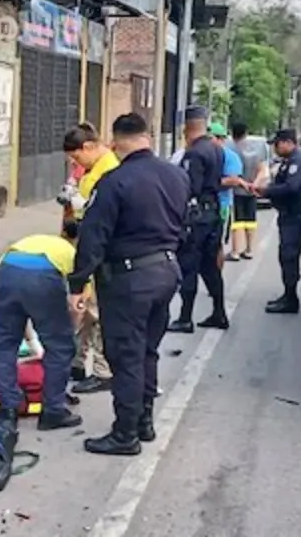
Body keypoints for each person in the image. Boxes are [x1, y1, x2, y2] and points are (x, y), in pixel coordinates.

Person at [68, 112, 188, 456]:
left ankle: (124, 434)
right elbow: (184, 225)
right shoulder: (176, 176)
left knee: (126, 357)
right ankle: (143, 422)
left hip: (129, 280)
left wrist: (77, 285)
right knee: (147, 350)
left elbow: (93, 238)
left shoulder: (115, 181)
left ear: (117, 140)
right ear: (147, 136)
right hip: (166, 271)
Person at [0, 221, 84, 432]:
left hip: (8, 271)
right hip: (43, 277)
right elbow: (77, 306)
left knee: (3, 346)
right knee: (60, 347)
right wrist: (69, 335)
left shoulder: (28, 243)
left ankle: (7, 410)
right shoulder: (75, 255)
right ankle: (53, 412)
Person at [61, 123, 119, 395]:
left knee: (95, 312)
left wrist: (80, 205)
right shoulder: (91, 168)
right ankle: (79, 361)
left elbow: (102, 212)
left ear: (88, 147)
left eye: (76, 157)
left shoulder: (108, 169)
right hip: (85, 242)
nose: (75, 163)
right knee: (84, 309)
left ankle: (102, 371)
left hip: (99, 249)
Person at [168, 106, 228, 333]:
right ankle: (219, 312)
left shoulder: (194, 153)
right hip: (214, 213)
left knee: (189, 266)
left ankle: (185, 317)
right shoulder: (217, 149)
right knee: (211, 267)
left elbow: (189, 187)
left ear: (186, 128)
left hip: (197, 218)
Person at [257, 129, 301, 314]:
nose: (275, 147)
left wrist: (267, 191)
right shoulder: (288, 161)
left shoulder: (298, 160)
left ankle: (291, 299)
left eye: (277, 143)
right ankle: (288, 295)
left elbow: (292, 187)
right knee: (286, 256)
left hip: (296, 217)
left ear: (288, 142)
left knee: (289, 256)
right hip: (288, 216)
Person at [208, 122, 248, 268]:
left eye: (210, 137)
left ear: (221, 139)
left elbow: (233, 179)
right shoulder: (197, 153)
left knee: (217, 245)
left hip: (222, 206)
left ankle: (217, 278)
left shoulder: (230, 157)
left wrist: (209, 183)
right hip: (198, 206)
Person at [228, 121, 269, 261]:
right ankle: (250, 249)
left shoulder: (230, 148)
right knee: (251, 220)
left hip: (236, 190)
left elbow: (230, 173)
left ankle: (235, 251)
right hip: (252, 191)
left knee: (237, 222)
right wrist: (254, 184)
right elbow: (263, 170)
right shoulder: (258, 149)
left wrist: (244, 184)